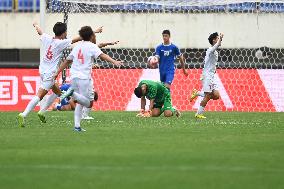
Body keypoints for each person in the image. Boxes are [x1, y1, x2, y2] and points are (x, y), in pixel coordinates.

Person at [54, 26, 123, 131]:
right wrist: (114, 61)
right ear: (91, 36)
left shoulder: (77, 47)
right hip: (84, 78)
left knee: (80, 102)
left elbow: (67, 61)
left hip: (74, 77)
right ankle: (71, 93)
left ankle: (77, 126)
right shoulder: (92, 46)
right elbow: (102, 55)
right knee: (88, 103)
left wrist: (57, 72)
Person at [190, 32, 224, 119]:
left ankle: (197, 93)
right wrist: (220, 38)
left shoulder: (214, 51)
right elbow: (217, 45)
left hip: (211, 76)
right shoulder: (210, 50)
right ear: (214, 40)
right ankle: (198, 114)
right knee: (208, 95)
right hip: (207, 76)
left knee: (216, 96)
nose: (218, 40)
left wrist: (214, 70)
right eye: (217, 38)